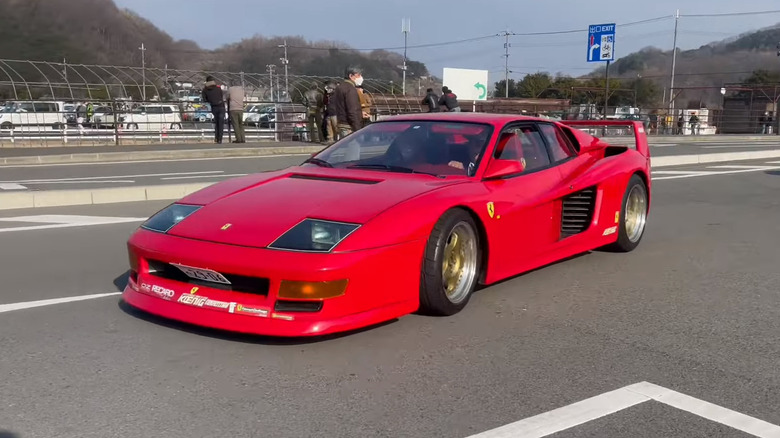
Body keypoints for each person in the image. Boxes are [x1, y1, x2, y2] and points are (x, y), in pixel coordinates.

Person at [333, 66, 364, 138]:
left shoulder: (339, 87)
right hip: (349, 126)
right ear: (351, 76)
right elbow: (352, 110)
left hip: (341, 123)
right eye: (358, 75)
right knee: (353, 148)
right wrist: (358, 129)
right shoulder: (350, 89)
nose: (361, 77)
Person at [202, 75, 226, 144]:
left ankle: (216, 138)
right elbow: (221, 96)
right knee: (221, 123)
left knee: (216, 123)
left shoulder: (205, 90)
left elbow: (205, 99)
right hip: (221, 106)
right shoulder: (218, 89)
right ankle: (220, 139)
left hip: (214, 107)